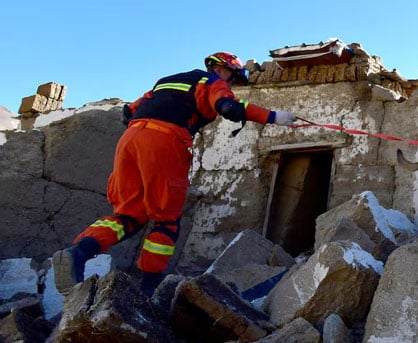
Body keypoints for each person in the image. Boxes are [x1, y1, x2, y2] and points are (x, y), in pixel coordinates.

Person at [52, 51, 296, 296]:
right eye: (233, 78)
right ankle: (148, 290)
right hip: (165, 141)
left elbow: (128, 112)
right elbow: (228, 107)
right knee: (166, 220)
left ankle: (78, 253)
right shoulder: (213, 82)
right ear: (222, 69)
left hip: (130, 140)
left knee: (129, 215)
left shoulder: (167, 81)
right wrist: (273, 117)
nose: (231, 84)